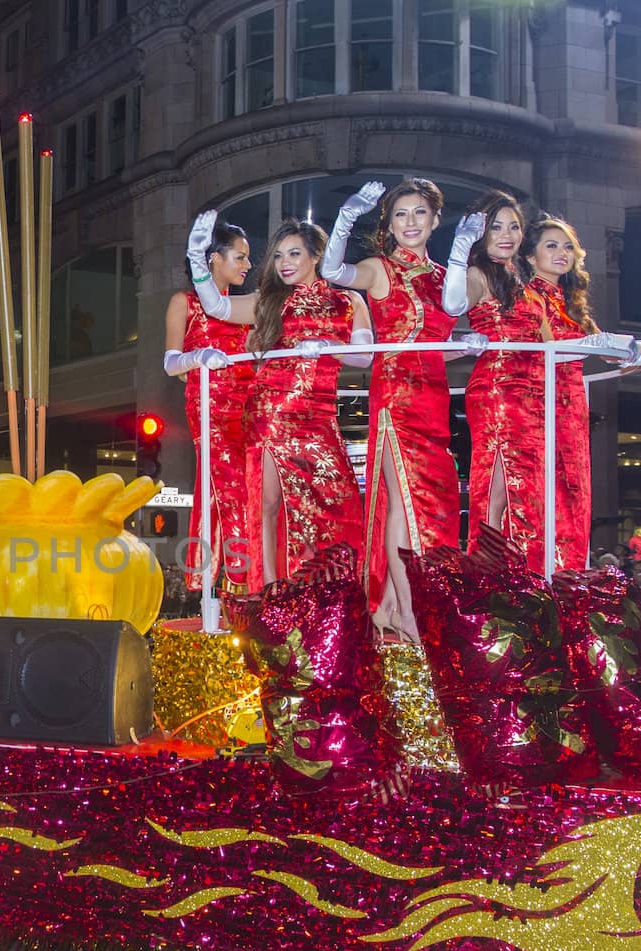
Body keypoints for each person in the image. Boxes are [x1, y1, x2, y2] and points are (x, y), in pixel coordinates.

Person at [319, 178, 478, 639]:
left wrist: (465, 345)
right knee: (402, 503)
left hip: (434, 398)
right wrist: (346, 217)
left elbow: (437, 340)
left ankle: (391, 602)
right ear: (388, 223)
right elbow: (334, 272)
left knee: (435, 504)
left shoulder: (444, 275)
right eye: (401, 214)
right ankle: (409, 609)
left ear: (434, 220)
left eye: (420, 213)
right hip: (396, 396)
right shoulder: (379, 269)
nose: (410, 222)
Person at [195, 219, 371, 587]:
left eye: (294, 253)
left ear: (316, 255)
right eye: (277, 256)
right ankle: (269, 591)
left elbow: (365, 356)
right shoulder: (271, 301)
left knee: (340, 506)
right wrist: (198, 261)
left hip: (320, 416)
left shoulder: (348, 301)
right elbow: (217, 308)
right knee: (268, 504)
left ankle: (328, 590)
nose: (284, 262)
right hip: (270, 411)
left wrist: (330, 347)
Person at [523, 215, 641, 570]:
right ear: (531, 256)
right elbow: (554, 348)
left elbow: (603, 346)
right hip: (539, 400)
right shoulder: (527, 294)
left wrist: (635, 351)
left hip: (572, 402)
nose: (562, 253)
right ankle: (544, 576)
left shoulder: (571, 301)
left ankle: (569, 572)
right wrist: (606, 345)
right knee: (546, 490)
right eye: (551, 245)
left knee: (574, 489)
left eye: (567, 247)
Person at [447, 191, 558, 564]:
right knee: (497, 486)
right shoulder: (478, 274)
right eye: (496, 227)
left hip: (533, 395)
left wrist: (611, 349)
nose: (507, 234)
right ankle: (489, 570)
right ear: (483, 232)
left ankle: (518, 567)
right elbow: (455, 304)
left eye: (514, 226)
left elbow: (551, 345)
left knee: (526, 487)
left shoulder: (527, 282)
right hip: (497, 389)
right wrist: (459, 247)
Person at [177, 215, 255, 592]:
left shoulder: (244, 307)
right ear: (213, 259)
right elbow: (170, 363)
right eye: (239, 257)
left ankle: (211, 582)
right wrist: (198, 358)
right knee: (231, 486)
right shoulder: (185, 303)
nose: (247, 265)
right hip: (209, 407)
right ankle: (241, 579)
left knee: (229, 489)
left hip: (248, 409)